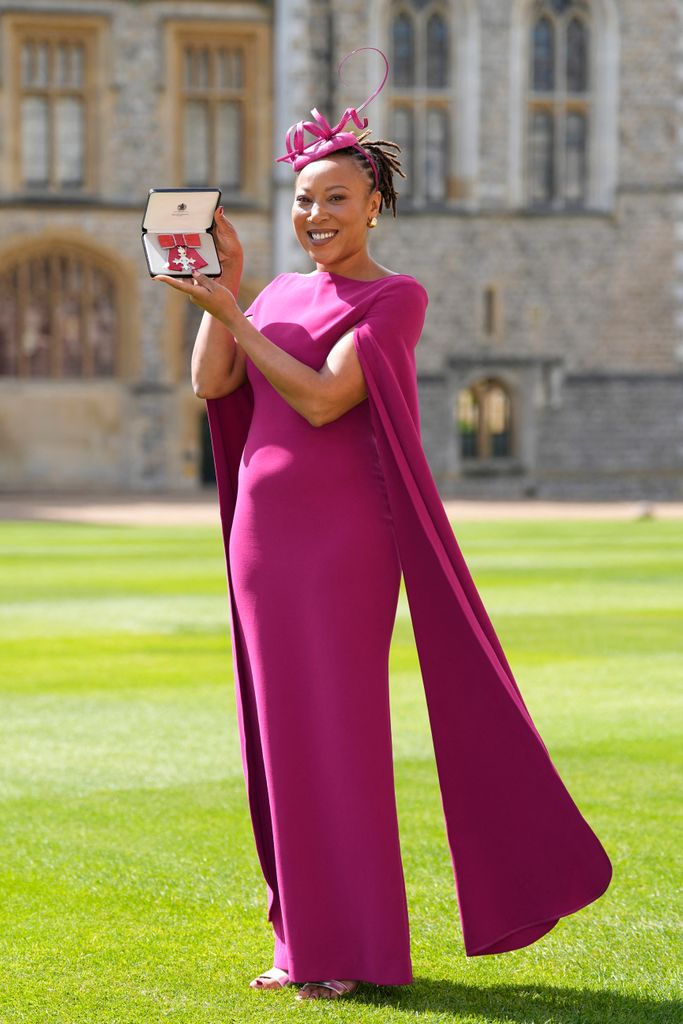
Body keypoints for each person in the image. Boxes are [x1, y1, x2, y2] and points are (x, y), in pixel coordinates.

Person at [152, 49, 612, 1003]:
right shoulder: (273, 292)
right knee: (277, 738)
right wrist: (227, 286)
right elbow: (210, 385)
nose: (314, 216)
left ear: (373, 207)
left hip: (342, 546)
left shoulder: (394, 297)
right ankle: (301, 941)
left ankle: (352, 947)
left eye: (333, 200)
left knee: (338, 737)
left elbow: (324, 402)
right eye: (302, 200)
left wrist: (232, 313)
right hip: (262, 548)